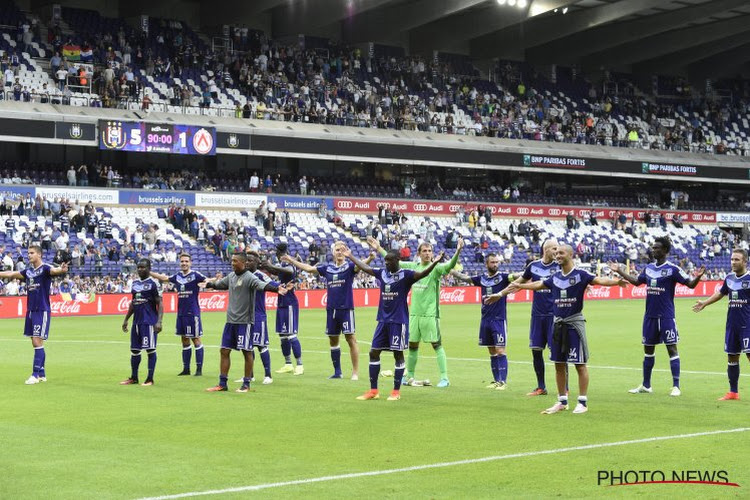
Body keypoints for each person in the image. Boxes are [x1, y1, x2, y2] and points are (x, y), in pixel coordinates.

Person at [502, 245, 626, 414]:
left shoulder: (580, 274)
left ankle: (582, 402)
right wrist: (521, 286)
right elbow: (539, 284)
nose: (557, 255)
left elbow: (598, 280)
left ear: (570, 254)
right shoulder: (555, 277)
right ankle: (562, 401)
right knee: (559, 364)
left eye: (561, 253)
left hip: (574, 325)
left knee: (579, 364)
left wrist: (617, 282)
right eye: (556, 253)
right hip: (558, 325)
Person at [609, 236, 705, 396]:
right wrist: (620, 271)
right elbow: (637, 282)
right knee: (648, 351)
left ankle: (676, 386)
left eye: (657, 248)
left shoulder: (673, 269)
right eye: (653, 248)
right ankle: (646, 385)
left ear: (665, 251)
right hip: (650, 316)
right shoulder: (648, 269)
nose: (654, 250)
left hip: (666, 316)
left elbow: (690, 285)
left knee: (672, 349)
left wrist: (699, 277)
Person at [345, 247, 443, 401]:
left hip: (398, 322)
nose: (386, 264)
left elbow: (423, 274)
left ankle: (396, 392)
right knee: (373, 352)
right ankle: (373, 391)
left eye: (389, 261)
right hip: (382, 321)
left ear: (397, 261)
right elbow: (366, 268)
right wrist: (350, 255)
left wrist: (434, 263)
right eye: (385, 261)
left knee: (398, 354)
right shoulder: (382, 273)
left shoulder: (406, 275)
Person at [367, 236, 464, 388]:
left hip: (430, 314)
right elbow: (393, 260)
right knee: (412, 346)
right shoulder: (412, 266)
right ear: (418, 253)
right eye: (424, 251)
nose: (427, 253)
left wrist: (458, 251)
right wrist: (379, 248)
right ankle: (410, 375)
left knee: (436, 344)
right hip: (413, 314)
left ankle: (444, 378)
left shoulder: (436, 268)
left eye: (430, 251)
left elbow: (449, 265)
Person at [282, 241, 375, 380]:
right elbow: (308, 268)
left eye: (343, 249)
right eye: (337, 249)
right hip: (331, 310)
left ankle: (355, 372)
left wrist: (370, 259)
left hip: (346, 309)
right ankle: (337, 372)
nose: (340, 252)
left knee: (351, 339)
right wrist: (291, 260)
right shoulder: (328, 268)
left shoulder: (349, 267)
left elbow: (360, 265)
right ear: (333, 252)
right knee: (333, 340)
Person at [203, 252, 287, 392]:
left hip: (245, 322)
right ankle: (222, 384)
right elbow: (220, 285)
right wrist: (209, 284)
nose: (232, 263)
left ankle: (246, 384)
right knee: (224, 351)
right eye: (232, 260)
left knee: (247, 351)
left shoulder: (249, 277)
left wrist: (276, 289)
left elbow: (262, 285)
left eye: (235, 261)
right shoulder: (231, 276)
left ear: (242, 262)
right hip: (230, 321)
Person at [0, 245, 68, 384]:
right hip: (30, 311)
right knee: (35, 342)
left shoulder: (45, 269)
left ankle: (35, 375)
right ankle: (42, 374)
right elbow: (12, 274)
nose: (29, 255)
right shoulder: (29, 272)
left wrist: (61, 269)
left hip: (41, 310)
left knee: (37, 341)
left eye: (32, 253)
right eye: (28, 253)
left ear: (39, 255)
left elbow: (56, 271)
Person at [693, 248, 750, 400]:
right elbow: (721, 293)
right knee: (732, 358)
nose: (733, 262)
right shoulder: (730, 278)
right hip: (732, 325)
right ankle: (733, 392)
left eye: (737, 259)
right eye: (732, 259)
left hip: (748, 326)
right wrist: (705, 303)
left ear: (745, 261)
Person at [451, 253, 513, 389]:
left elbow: (517, 276)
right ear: (486, 264)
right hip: (485, 320)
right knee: (492, 351)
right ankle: (497, 380)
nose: (495, 264)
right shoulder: (482, 278)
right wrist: (450, 270)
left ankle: (503, 382)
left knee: (500, 350)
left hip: (498, 320)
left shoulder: (503, 277)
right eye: (492, 262)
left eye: (497, 262)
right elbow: (465, 278)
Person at [513, 239, 560, 396]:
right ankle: (541, 387)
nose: (557, 251)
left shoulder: (560, 266)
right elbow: (518, 283)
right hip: (537, 316)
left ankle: (564, 388)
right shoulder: (533, 266)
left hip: (554, 316)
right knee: (536, 351)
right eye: (554, 248)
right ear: (545, 250)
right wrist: (500, 294)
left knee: (558, 354)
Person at [150, 253, 208, 376]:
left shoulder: (195, 275)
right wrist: (150, 272)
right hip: (181, 313)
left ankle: (199, 369)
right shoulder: (178, 276)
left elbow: (206, 279)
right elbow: (164, 278)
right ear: (179, 263)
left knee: (196, 339)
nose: (184, 263)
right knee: (184, 339)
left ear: (190, 263)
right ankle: (186, 369)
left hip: (192, 313)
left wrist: (207, 283)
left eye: (186, 261)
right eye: (182, 261)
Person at [261, 243, 303, 375]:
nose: (278, 256)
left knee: (291, 334)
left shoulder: (288, 263)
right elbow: (276, 271)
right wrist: (266, 267)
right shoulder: (282, 265)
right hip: (282, 302)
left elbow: (289, 271)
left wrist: (271, 266)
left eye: (278, 253)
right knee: (283, 335)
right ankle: (288, 363)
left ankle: (300, 365)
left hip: (290, 302)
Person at [120, 259, 163, 386]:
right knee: (134, 350)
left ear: (149, 268)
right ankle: (134, 377)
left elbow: (160, 302)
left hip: (149, 322)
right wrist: (126, 319)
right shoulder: (134, 283)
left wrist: (159, 321)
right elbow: (133, 303)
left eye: (143, 267)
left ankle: (150, 379)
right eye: (138, 267)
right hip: (137, 322)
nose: (140, 269)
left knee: (150, 349)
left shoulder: (154, 283)